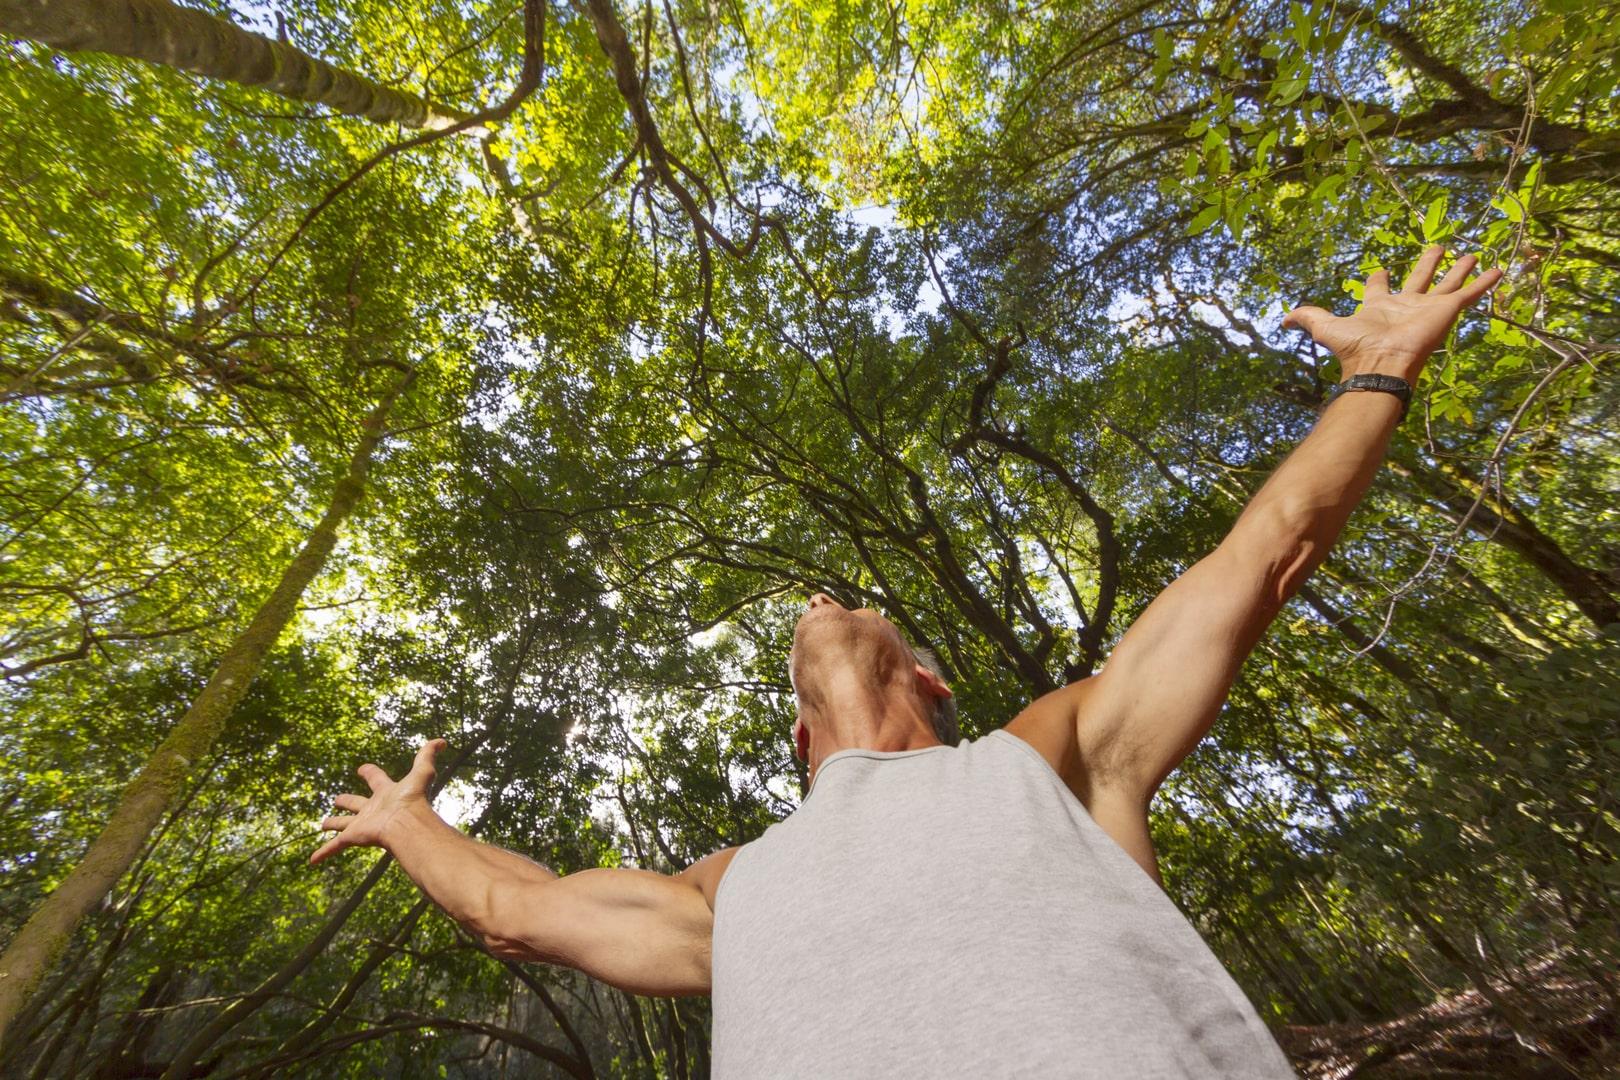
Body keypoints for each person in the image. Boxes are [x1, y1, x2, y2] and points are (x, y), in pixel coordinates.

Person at [312, 247, 1501, 1077]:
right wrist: (407, 820)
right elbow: (515, 912)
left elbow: (1260, 560)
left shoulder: (1053, 758)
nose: (826, 599)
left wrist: (1377, 374)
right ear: (796, 743)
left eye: (862, 606)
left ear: (929, 679)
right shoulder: (730, 888)